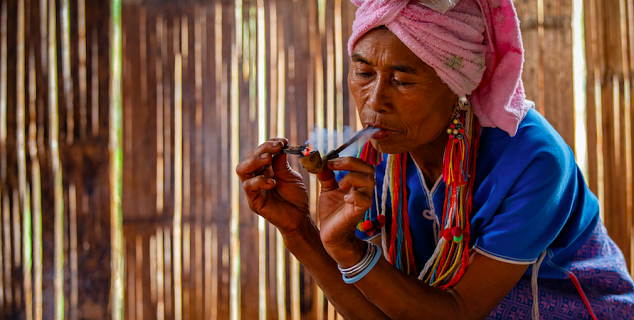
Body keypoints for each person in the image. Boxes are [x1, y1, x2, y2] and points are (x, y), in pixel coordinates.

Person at [236, 0, 634, 318]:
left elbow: (458, 311)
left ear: (459, 84)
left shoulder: (532, 161)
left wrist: (351, 253)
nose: (374, 102)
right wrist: (299, 232)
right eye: (363, 72)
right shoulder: (366, 164)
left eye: (403, 80)